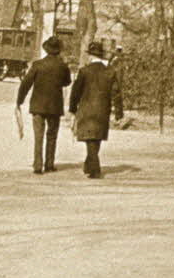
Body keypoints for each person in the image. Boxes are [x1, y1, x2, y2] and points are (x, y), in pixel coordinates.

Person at [16, 35, 72, 174]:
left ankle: (37, 164)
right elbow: (67, 82)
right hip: (55, 105)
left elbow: (26, 83)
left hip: (38, 105)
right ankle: (49, 164)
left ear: (46, 49)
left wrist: (20, 100)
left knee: (38, 135)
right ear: (58, 50)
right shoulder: (63, 66)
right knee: (52, 135)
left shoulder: (37, 64)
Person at [69, 40, 124, 179]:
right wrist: (119, 113)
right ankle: (89, 164)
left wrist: (72, 108)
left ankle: (94, 168)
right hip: (103, 109)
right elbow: (117, 93)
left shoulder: (84, 71)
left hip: (86, 108)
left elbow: (76, 91)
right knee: (96, 137)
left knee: (89, 137)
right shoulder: (110, 72)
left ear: (90, 56)